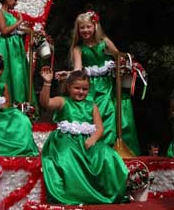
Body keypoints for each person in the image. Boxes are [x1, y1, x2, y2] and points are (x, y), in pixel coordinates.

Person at [56, 10, 140, 155]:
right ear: (78, 30)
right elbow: (78, 68)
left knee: (111, 112)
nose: (85, 30)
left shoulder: (104, 42)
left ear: (95, 26)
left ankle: (110, 149)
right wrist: (68, 74)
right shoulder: (78, 48)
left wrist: (125, 66)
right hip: (91, 87)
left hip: (108, 85)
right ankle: (93, 148)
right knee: (94, 113)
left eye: (88, 26)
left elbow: (120, 58)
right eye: (82, 27)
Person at [40, 68, 128, 205]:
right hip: (66, 140)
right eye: (77, 88)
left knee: (107, 153)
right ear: (69, 87)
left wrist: (93, 139)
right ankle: (74, 192)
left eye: (85, 89)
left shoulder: (92, 106)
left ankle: (109, 191)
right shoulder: (63, 101)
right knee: (68, 154)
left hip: (87, 142)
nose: (81, 92)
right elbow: (46, 103)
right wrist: (47, 83)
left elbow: (100, 128)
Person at [0, 0, 37, 108]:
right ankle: (6, 105)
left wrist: (34, 33)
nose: (16, 3)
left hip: (15, 48)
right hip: (5, 47)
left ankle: (20, 106)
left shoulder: (11, 15)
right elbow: (5, 31)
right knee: (6, 74)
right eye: (15, 0)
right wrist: (19, 22)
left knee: (18, 75)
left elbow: (19, 30)